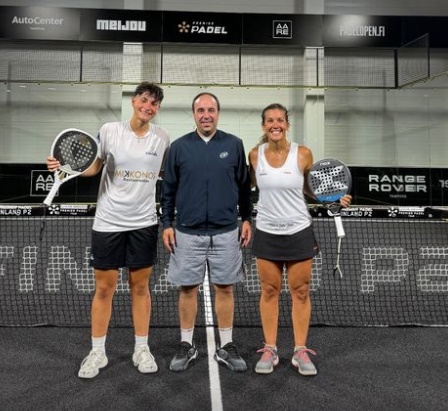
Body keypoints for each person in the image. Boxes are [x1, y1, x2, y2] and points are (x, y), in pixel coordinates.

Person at [46, 82, 170, 379]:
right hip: (108, 223)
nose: (147, 107)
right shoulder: (110, 131)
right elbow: (92, 167)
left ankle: (142, 348)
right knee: (104, 289)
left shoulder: (162, 138)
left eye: (153, 103)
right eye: (143, 100)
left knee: (140, 288)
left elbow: (169, 174)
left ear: (157, 108)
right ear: (134, 101)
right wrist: (63, 166)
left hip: (143, 223)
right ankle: (97, 351)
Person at [248, 103, 351, 375]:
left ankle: (299, 350)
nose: (275, 125)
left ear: (287, 124)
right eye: (269, 120)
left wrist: (333, 198)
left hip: (299, 232)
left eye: (280, 120)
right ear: (263, 125)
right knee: (269, 291)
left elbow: (311, 189)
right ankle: (270, 349)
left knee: (301, 292)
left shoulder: (303, 153)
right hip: (268, 232)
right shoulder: (255, 155)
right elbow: (245, 186)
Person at [161, 92, 252, 373]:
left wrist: (247, 218)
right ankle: (186, 345)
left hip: (226, 232)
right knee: (188, 288)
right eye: (200, 110)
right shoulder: (178, 147)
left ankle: (227, 345)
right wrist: (167, 224)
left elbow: (243, 185)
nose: (206, 115)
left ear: (218, 113)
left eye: (211, 109)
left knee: (224, 288)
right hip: (187, 233)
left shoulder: (235, 145)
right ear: (193, 114)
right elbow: (168, 192)